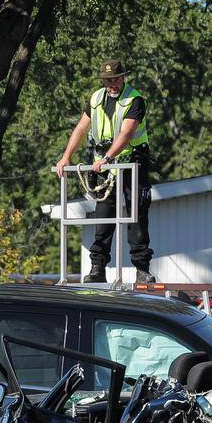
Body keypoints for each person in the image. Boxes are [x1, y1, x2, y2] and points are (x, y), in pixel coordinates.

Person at [55, 59, 155, 283]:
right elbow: (81, 127)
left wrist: (108, 157)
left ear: (123, 77)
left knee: (136, 213)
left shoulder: (134, 99)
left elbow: (127, 134)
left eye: (115, 79)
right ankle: (97, 267)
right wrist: (66, 156)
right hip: (105, 165)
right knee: (104, 215)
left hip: (131, 161)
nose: (111, 84)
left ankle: (141, 268)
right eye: (107, 80)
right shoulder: (96, 98)